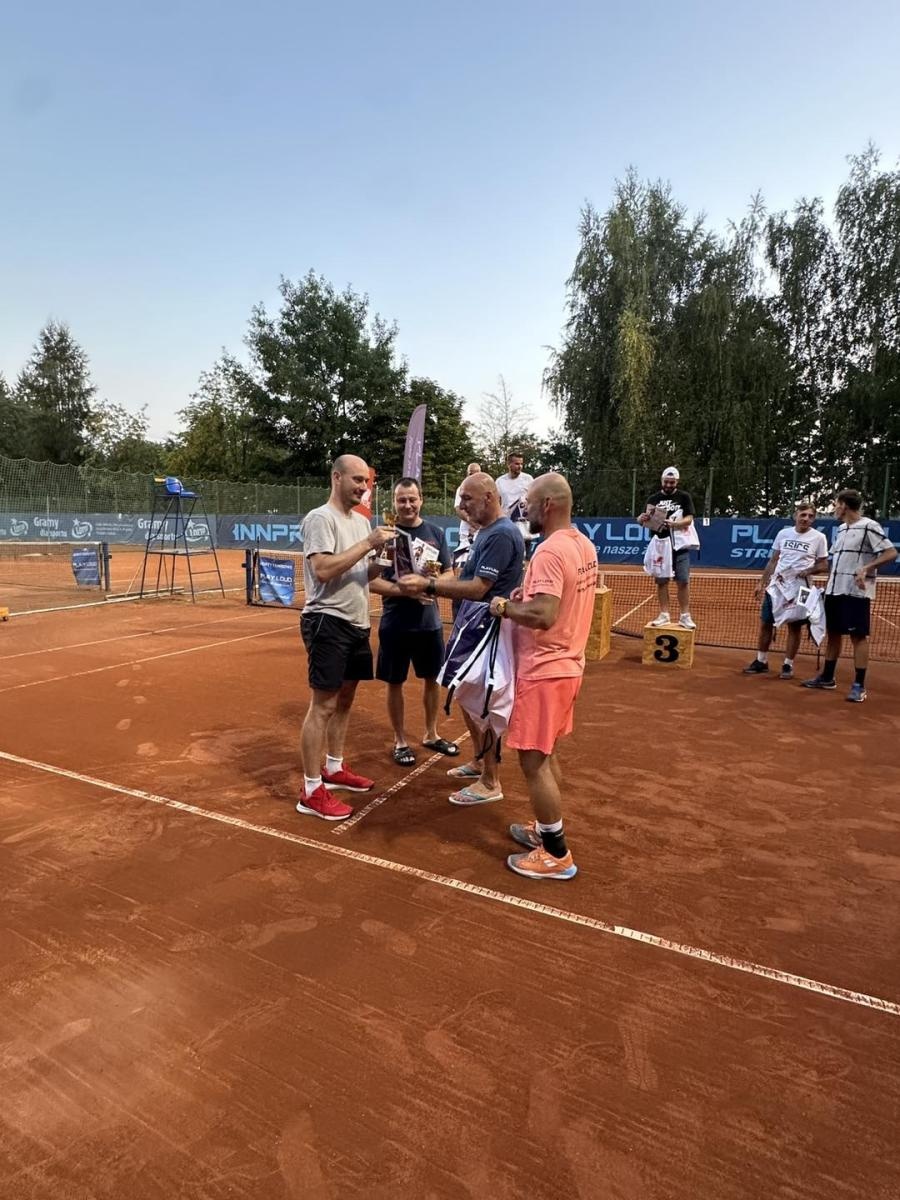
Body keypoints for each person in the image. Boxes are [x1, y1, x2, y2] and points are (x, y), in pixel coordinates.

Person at [488, 472, 598, 880]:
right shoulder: (582, 544)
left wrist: (505, 607)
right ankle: (546, 828)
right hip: (567, 665)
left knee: (532, 760)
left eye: (529, 504)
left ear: (547, 505)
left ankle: (556, 853)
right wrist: (525, 597)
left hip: (546, 671)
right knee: (546, 752)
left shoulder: (551, 551)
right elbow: (558, 600)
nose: (524, 511)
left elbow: (544, 614)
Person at [397, 472, 524, 804]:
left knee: (484, 705)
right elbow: (464, 574)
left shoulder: (500, 535)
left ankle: (491, 781)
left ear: (488, 497)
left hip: (488, 629)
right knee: (466, 697)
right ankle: (480, 760)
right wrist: (434, 577)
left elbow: (479, 587)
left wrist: (429, 586)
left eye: (467, 499)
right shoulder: (485, 530)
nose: (460, 506)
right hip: (473, 624)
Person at [296, 454, 396, 821]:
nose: (363, 487)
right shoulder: (321, 518)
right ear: (336, 478)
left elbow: (359, 574)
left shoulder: (360, 523)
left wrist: (379, 561)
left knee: (346, 700)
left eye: (366, 482)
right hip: (328, 621)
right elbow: (322, 570)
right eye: (356, 480)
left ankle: (334, 769)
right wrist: (369, 543)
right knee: (322, 706)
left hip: (357, 621)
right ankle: (310, 790)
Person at [370, 477, 458, 767]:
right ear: (394, 502)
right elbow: (370, 582)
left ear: (421, 500)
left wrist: (429, 586)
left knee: (432, 680)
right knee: (395, 682)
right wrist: (405, 591)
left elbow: (449, 574)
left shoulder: (435, 532)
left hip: (429, 624)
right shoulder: (384, 535)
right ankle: (400, 740)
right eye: (401, 500)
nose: (407, 505)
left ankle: (432, 734)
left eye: (412, 499)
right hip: (395, 623)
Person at [801, 489, 897, 702]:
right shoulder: (842, 529)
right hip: (835, 590)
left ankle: (859, 685)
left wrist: (866, 568)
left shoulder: (869, 526)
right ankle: (827, 677)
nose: (835, 508)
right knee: (833, 633)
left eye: (836, 504)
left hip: (856, 592)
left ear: (844, 505)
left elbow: (891, 552)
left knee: (858, 636)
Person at [743, 503, 829, 679]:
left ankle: (788, 665)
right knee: (766, 623)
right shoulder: (783, 534)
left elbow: (823, 564)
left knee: (795, 627)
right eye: (803, 515)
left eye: (810, 516)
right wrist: (762, 583)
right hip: (777, 586)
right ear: (795, 515)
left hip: (802, 587)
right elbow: (774, 560)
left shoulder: (819, 538)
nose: (806, 519)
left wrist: (809, 571)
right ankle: (761, 661)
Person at [637, 466, 698, 630]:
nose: (669, 485)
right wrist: (641, 518)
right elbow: (641, 520)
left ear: (677, 482)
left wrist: (675, 524)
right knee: (662, 581)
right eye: (666, 482)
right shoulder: (653, 498)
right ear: (662, 481)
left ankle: (685, 616)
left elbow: (689, 519)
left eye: (672, 482)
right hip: (660, 546)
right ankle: (664, 614)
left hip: (679, 545)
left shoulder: (684, 497)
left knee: (683, 581)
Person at [496, 451, 538, 556]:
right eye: (517, 464)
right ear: (509, 464)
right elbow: (496, 502)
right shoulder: (500, 481)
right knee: (508, 556)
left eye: (521, 464)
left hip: (524, 524)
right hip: (507, 524)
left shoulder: (528, 479)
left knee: (526, 557)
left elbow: (535, 497)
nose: (520, 466)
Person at [453, 462, 481, 570]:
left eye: (477, 473)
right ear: (467, 474)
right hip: (466, 533)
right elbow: (458, 509)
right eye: (471, 474)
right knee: (462, 565)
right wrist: (473, 523)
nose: (474, 476)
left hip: (482, 533)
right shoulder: (461, 489)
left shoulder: (487, 490)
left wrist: (481, 525)